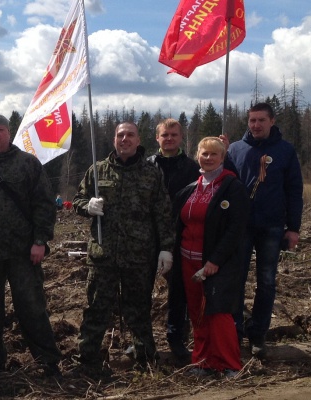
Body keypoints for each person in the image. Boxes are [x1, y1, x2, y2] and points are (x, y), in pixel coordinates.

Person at [0, 114, 61, 377]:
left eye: (0, 130)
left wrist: (40, 241)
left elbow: (44, 204)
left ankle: (47, 361)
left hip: (23, 251)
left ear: (9, 133)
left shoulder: (28, 164)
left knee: (31, 307)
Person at [73, 121, 174, 374]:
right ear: (114, 140)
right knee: (96, 308)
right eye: (120, 135)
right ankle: (87, 360)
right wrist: (87, 206)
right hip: (103, 254)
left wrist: (166, 248)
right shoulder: (98, 170)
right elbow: (77, 200)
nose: (125, 139)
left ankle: (146, 360)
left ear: (138, 140)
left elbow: (163, 213)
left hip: (139, 255)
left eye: (130, 135)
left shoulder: (151, 173)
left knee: (139, 310)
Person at [225, 102, 303, 358]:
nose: (256, 125)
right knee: (236, 280)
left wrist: (293, 228)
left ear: (272, 121)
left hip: (272, 226)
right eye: (252, 120)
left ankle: (258, 334)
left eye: (261, 120)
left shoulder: (285, 151)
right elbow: (224, 186)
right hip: (241, 227)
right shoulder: (235, 150)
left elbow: (294, 190)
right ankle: (235, 332)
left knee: (267, 281)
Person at [173, 137, 249, 377]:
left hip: (218, 263)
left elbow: (236, 229)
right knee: (197, 312)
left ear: (222, 157)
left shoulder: (232, 187)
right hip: (188, 260)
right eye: (204, 153)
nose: (208, 158)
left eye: (214, 154)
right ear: (197, 156)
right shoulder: (191, 189)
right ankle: (203, 362)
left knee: (218, 311)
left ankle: (229, 364)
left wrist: (215, 260)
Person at [147, 118, 200, 361]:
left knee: (178, 290)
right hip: (147, 237)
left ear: (180, 137)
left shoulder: (192, 168)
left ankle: (176, 337)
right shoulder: (146, 166)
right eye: (164, 135)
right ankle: (142, 339)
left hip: (180, 236)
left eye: (174, 135)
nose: (169, 139)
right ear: (157, 138)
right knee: (141, 290)